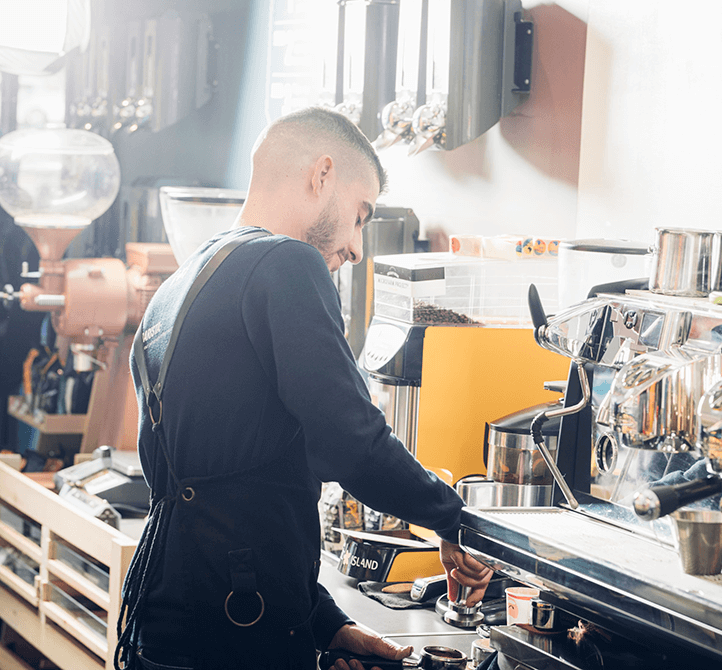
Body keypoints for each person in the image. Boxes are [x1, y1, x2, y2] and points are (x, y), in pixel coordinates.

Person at [118, 106, 492, 670]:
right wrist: (454, 519)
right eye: (361, 215)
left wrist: (324, 623)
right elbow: (351, 438)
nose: (357, 248)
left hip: (173, 620)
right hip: (231, 638)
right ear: (322, 176)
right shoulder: (284, 263)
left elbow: (229, 496)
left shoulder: (182, 282)